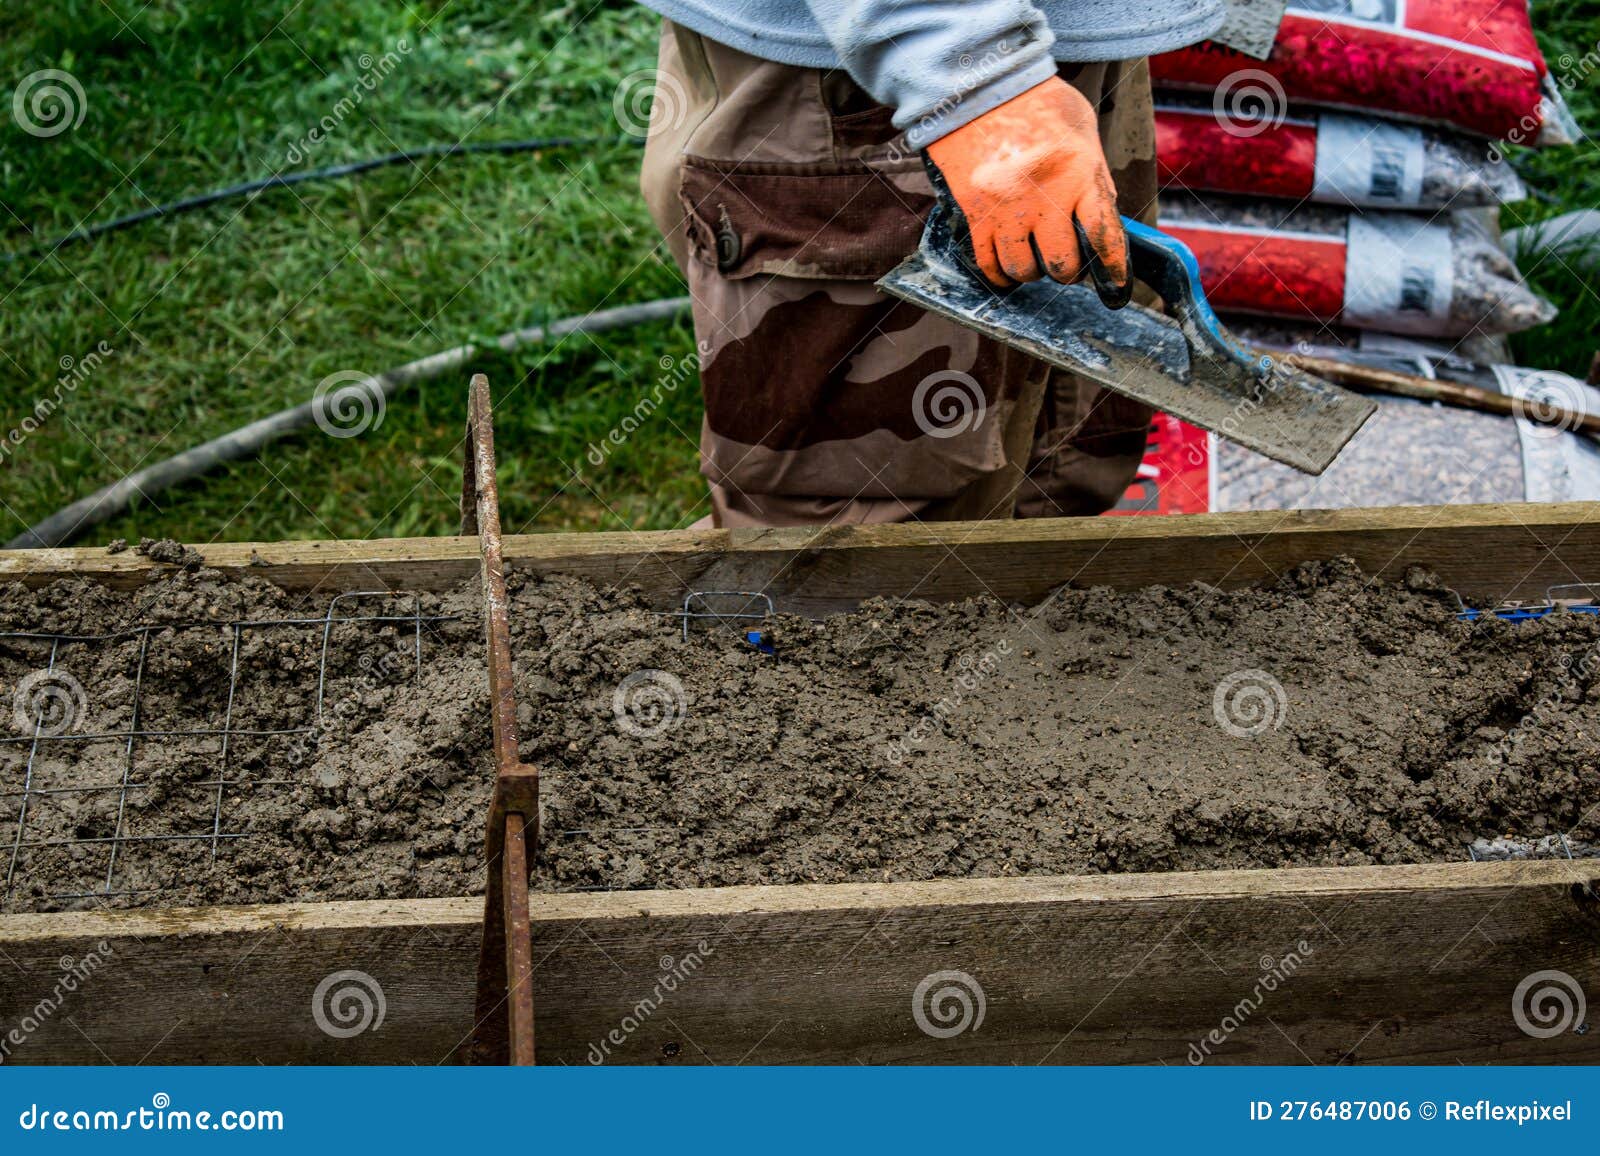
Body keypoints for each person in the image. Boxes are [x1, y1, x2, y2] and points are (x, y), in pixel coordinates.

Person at [636, 0, 1224, 527]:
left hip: (1057, 47)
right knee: (860, 544)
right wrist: (978, 76)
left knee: (1064, 467)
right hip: (891, 65)